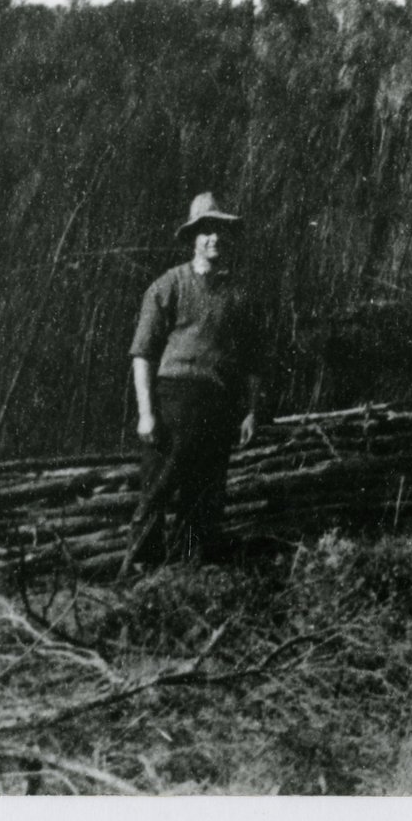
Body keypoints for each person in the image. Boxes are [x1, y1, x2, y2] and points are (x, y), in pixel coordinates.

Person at [124, 192, 266, 570]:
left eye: (220, 230)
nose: (213, 238)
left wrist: (250, 411)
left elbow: (252, 363)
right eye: (206, 230)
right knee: (157, 491)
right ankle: (139, 576)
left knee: (205, 496)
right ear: (193, 238)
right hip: (174, 402)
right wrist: (146, 414)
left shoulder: (239, 297)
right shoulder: (167, 286)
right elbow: (143, 354)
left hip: (218, 406)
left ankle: (189, 576)